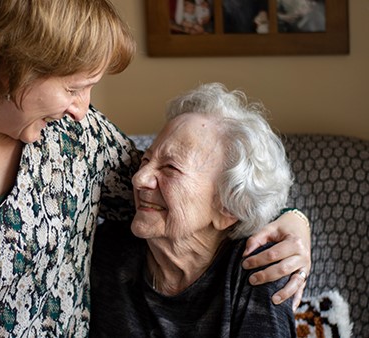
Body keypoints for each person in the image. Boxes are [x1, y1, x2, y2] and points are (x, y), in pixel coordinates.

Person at [0, 0, 310, 336]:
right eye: (74, 87)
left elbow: (191, 191)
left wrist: (291, 219)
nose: (82, 106)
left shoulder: (75, 136)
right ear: (10, 68)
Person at [90, 83, 300, 337]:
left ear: (227, 206)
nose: (140, 178)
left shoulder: (260, 268)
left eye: (170, 168)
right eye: (146, 159)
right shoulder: (107, 251)